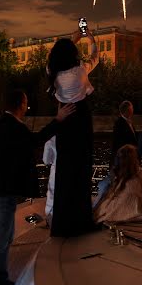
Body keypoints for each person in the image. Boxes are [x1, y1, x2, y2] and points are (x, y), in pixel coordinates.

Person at [0, 89, 74, 285]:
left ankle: (0, 282)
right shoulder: (12, 126)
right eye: (26, 102)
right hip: (2, 193)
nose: (27, 106)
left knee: (3, 240)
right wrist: (58, 120)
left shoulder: (2, 125)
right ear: (21, 104)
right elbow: (35, 140)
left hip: (0, 191)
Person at [47, 27, 98, 237]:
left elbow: (55, 57)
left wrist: (72, 40)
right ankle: (82, 220)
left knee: (65, 172)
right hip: (81, 120)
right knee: (82, 171)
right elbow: (95, 58)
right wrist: (90, 39)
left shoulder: (52, 72)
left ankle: (61, 222)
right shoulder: (79, 71)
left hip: (64, 121)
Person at [94, 145, 142, 223]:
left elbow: (103, 191)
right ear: (135, 159)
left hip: (113, 211)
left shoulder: (114, 174)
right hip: (138, 211)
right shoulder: (140, 173)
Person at [110, 100, 137, 165]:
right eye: (132, 108)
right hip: (125, 158)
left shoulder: (129, 122)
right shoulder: (119, 124)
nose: (133, 110)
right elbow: (118, 142)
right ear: (128, 110)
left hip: (131, 157)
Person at [42, 136, 57, 227]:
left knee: (52, 195)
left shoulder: (52, 140)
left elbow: (46, 160)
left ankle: (52, 220)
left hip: (56, 173)